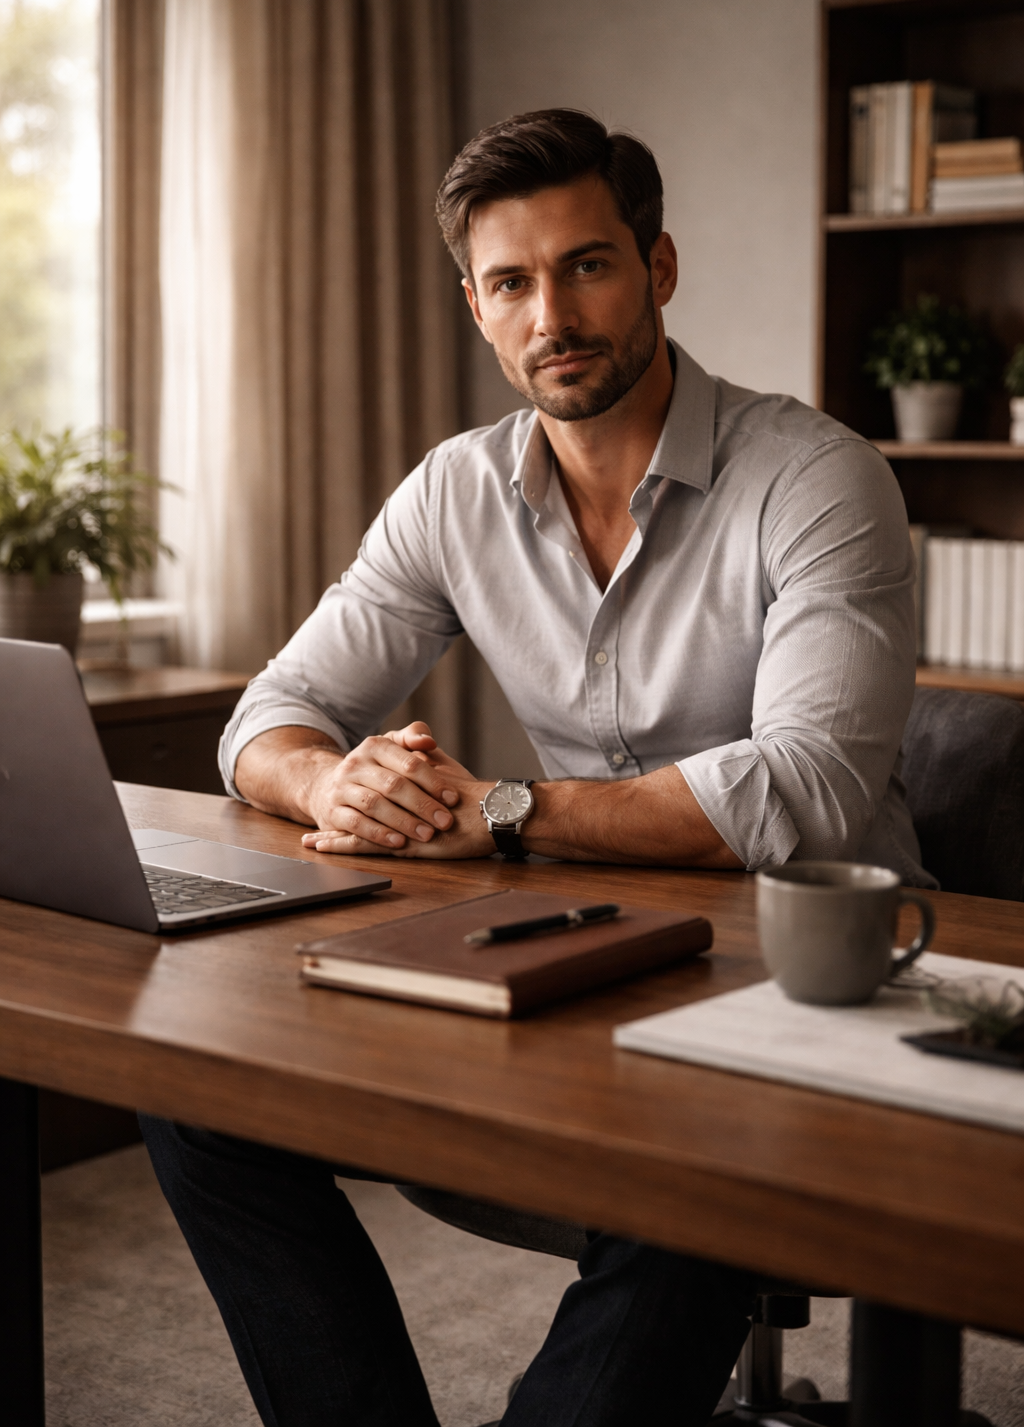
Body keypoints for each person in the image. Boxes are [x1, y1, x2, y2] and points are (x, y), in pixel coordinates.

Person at [141, 108, 931, 1427]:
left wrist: (500, 812)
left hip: (814, 970)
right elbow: (271, 715)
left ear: (659, 269)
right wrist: (329, 784)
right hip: (579, 944)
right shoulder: (453, 493)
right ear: (475, 306)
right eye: (512, 282)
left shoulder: (817, 478)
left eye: (588, 266)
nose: (551, 313)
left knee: (682, 1194)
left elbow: (804, 795)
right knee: (199, 1105)